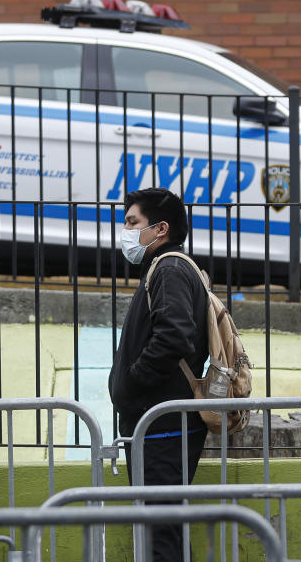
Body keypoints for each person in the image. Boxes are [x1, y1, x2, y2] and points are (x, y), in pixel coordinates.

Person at [108, 187, 209, 561]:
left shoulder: (169, 269)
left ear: (160, 228)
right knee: (159, 533)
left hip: (163, 427)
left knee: (161, 537)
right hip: (158, 425)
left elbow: (173, 336)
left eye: (133, 222)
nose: (126, 231)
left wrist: (132, 383)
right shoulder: (166, 268)